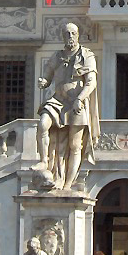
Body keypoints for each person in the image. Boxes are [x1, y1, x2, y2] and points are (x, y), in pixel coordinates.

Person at [34, 22, 100, 191]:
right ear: (62, 36)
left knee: (75, 145)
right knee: (42, 125)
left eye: (72, 33)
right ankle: (43, 160)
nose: (70, 36)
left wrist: (80, 98)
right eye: (66, 34)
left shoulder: (87, 55)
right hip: (57, 100)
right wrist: (44, 81)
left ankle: (68, 184)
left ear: (78, 35)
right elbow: (47, 76)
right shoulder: (57, 56)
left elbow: (91, 82)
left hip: (76, 103)